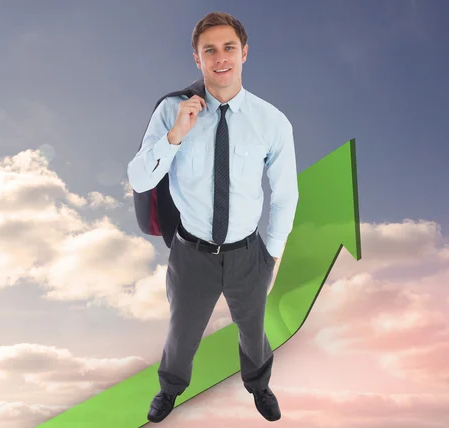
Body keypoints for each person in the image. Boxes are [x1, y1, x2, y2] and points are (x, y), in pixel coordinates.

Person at [126, 11, 298, 423]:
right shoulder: (173, 111)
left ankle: (258, 385)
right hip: (192, 253)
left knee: (253, 332)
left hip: (247, 253)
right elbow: (137, 176)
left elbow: (285, 194)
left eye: (228, 48)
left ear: (244, 53)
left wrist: (272, 254)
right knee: (181, 335)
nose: (220, 58)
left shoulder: (271, 121)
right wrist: (175, 135)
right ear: (196, 59)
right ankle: (169, 390)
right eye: (210, 50)